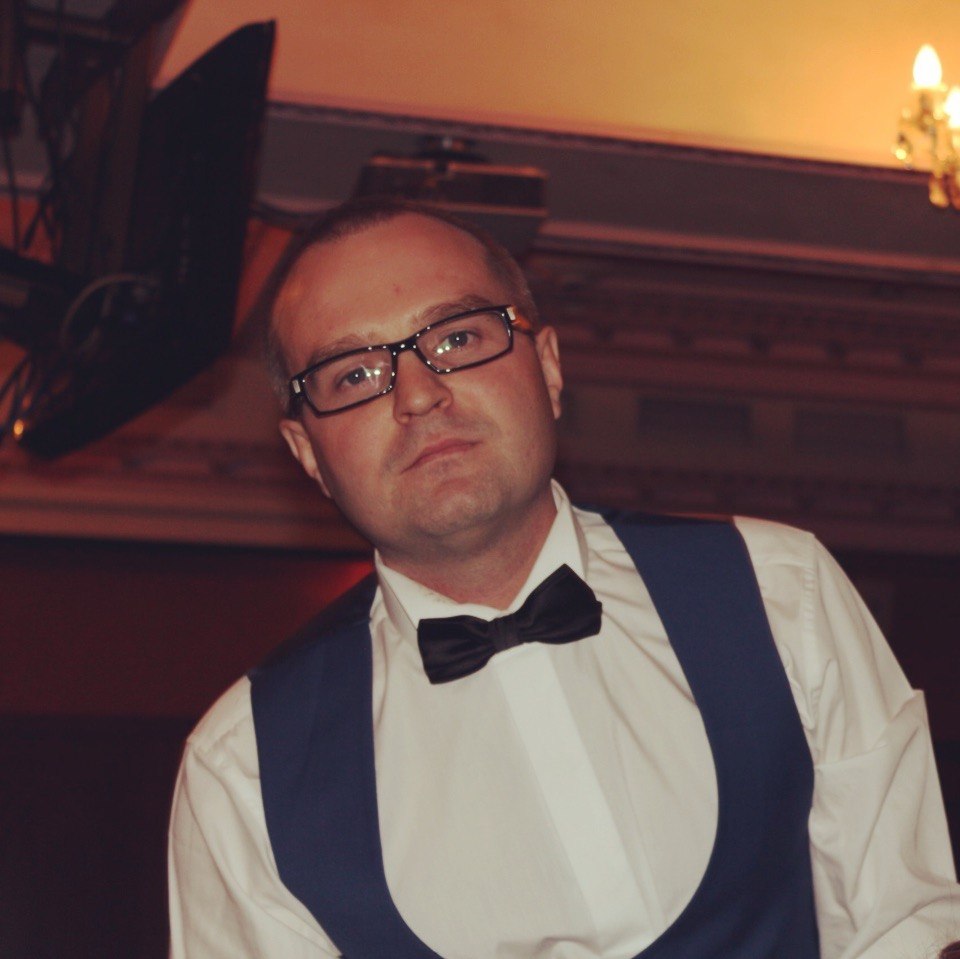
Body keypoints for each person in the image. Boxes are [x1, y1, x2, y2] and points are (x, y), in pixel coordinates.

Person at [167, 197, 960, 959]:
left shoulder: (780, 589)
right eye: (353, 374)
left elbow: (904, 927)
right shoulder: (243, 766)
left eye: (457, 337)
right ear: (307, 453)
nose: (419, 393)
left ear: (547, 367)